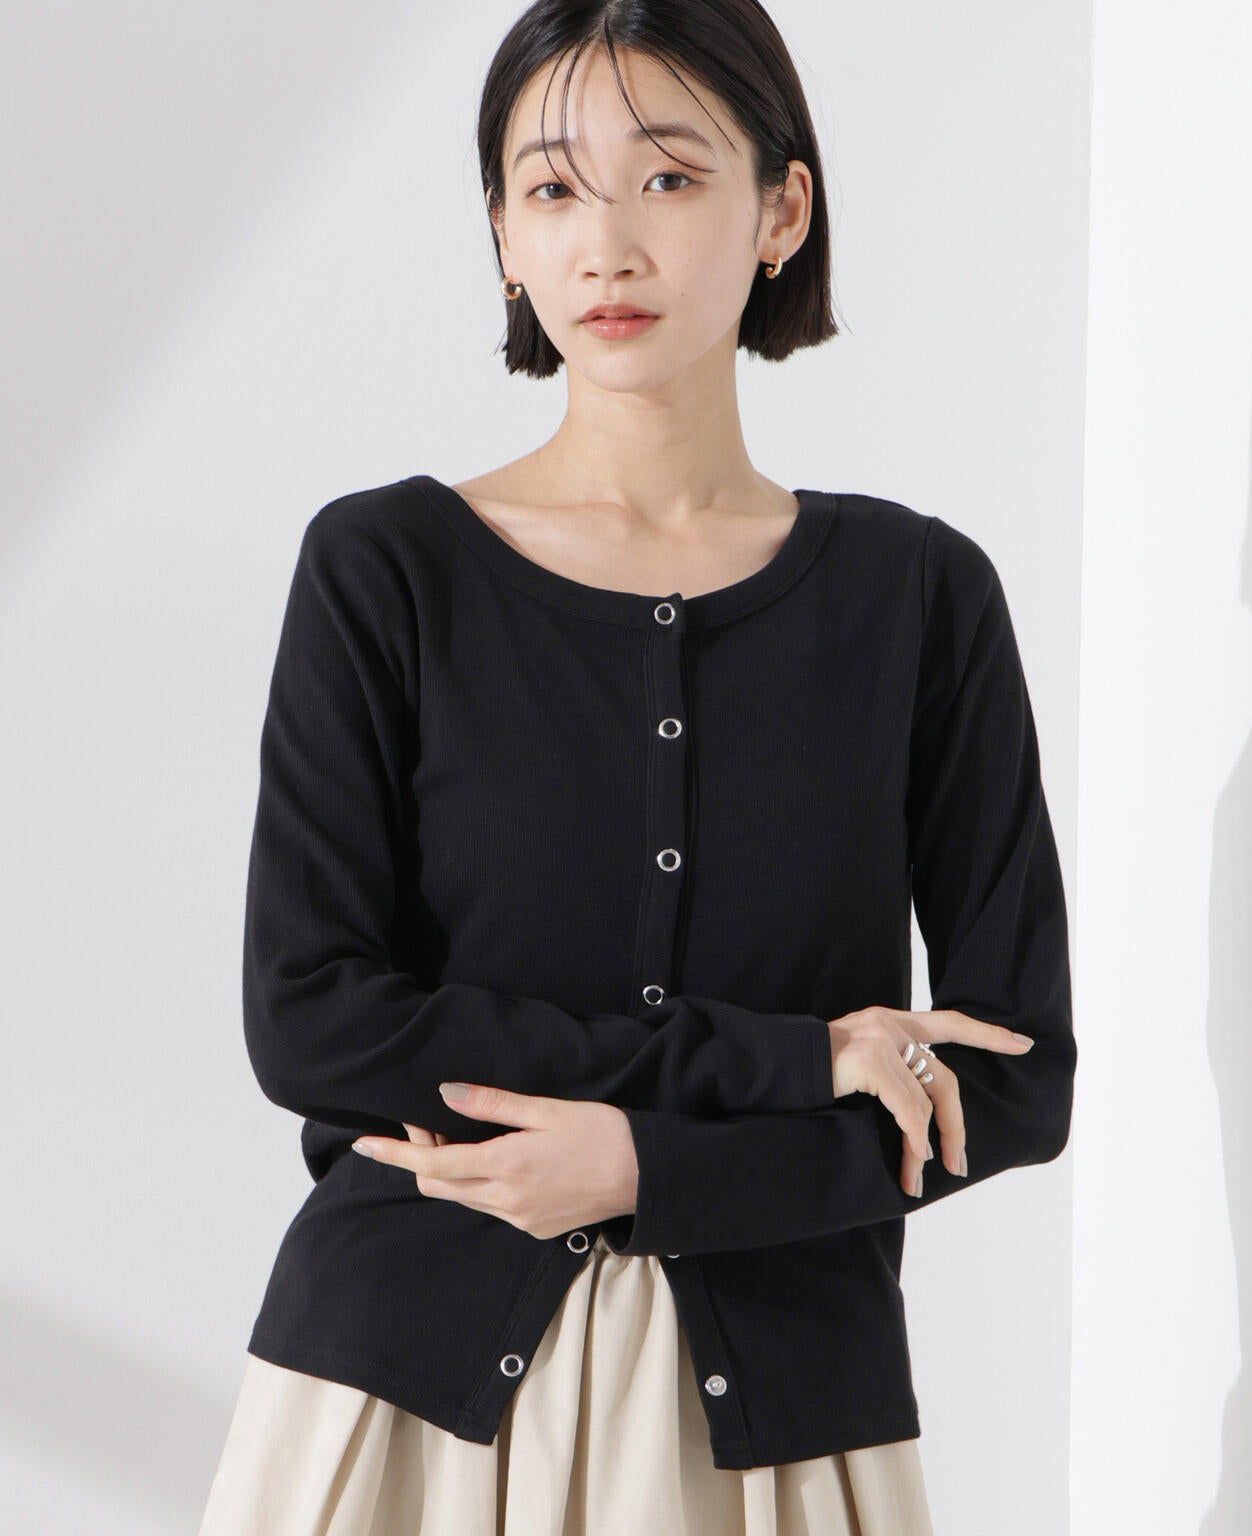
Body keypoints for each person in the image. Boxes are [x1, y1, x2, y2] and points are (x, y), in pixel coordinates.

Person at [199, 2, 1075, 1532]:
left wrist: (655, 1171)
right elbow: (312, 1020)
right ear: (503, 236)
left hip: (782, 1433)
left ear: (781, 212)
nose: (606, 245)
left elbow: (1013, 1080)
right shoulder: (385, 569)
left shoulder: (919, 599)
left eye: (668, 176)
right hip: (401, 1413)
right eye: (552, 188)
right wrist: (789, 1066)